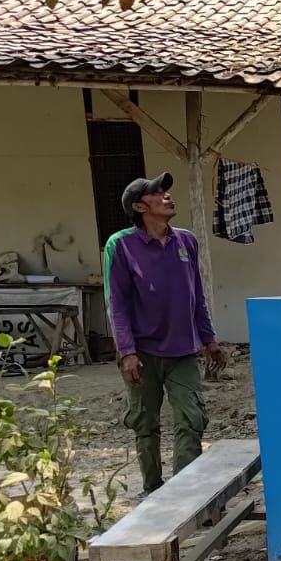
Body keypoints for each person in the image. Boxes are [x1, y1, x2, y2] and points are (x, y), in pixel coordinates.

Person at [103, 172, 229, 495]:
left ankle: (184, 496)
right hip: (141, 353)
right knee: (145, 424)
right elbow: (116, 304)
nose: (166, 196)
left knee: (191, 418)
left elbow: (196, 293)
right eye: (157, 193)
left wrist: (209, 339)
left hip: (183, 350)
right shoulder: (121, 246)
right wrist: (127, 352)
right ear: (139, 207)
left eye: (165, 192)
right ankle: (152, 491)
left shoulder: (186, 241)